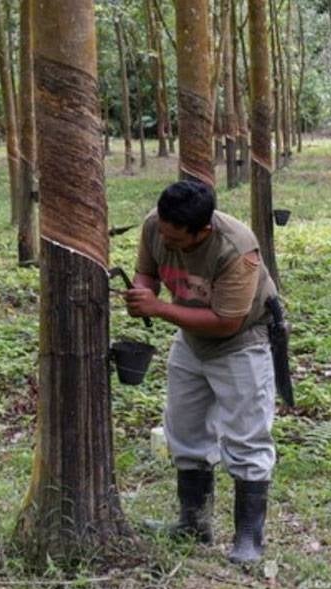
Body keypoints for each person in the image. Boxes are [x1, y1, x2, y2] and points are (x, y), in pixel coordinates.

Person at [124, 180, 278, 564]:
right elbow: (146, 272)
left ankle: (248, 538)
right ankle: (194, 523)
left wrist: (158, 309)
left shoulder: (236, 250)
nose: (167, 242)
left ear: (203, 231)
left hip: (242, 342)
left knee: (246, 438)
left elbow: (227, 322)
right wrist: (141, 293)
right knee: (185, 430)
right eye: (164, 232)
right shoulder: (155, 226)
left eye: (178, 240)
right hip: (190, 340)